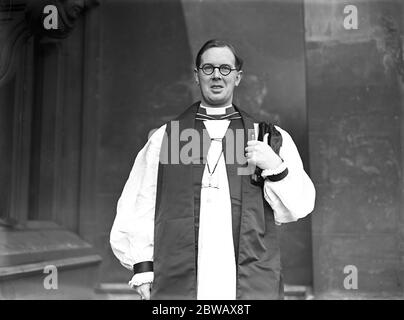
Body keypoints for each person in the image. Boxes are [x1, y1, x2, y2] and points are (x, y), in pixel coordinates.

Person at [110, 39, 316, 300]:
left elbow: (298, 207)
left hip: (245, 274)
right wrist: (143, 268)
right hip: (182, 275)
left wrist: (275, 167)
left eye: (225, 68)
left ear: (238, 77)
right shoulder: (169, 138)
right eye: (208, 68)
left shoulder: (264, 137)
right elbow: (142, 201)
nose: (217, 75)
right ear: (197, 76)